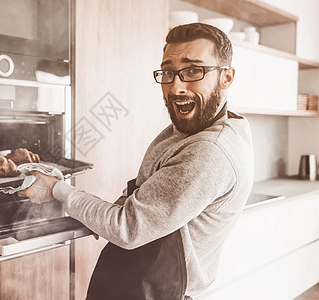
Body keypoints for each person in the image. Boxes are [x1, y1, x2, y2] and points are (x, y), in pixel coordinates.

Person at [18, 22, 254, 300]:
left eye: (193, 70)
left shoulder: (210, 151)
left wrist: (55, 188)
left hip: (155, 291)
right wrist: (98, 214)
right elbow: (148, 196)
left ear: (226, 77)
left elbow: (128, 228)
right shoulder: (193, 129)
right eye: (168, 72)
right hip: (134, 281)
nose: (176, 87)